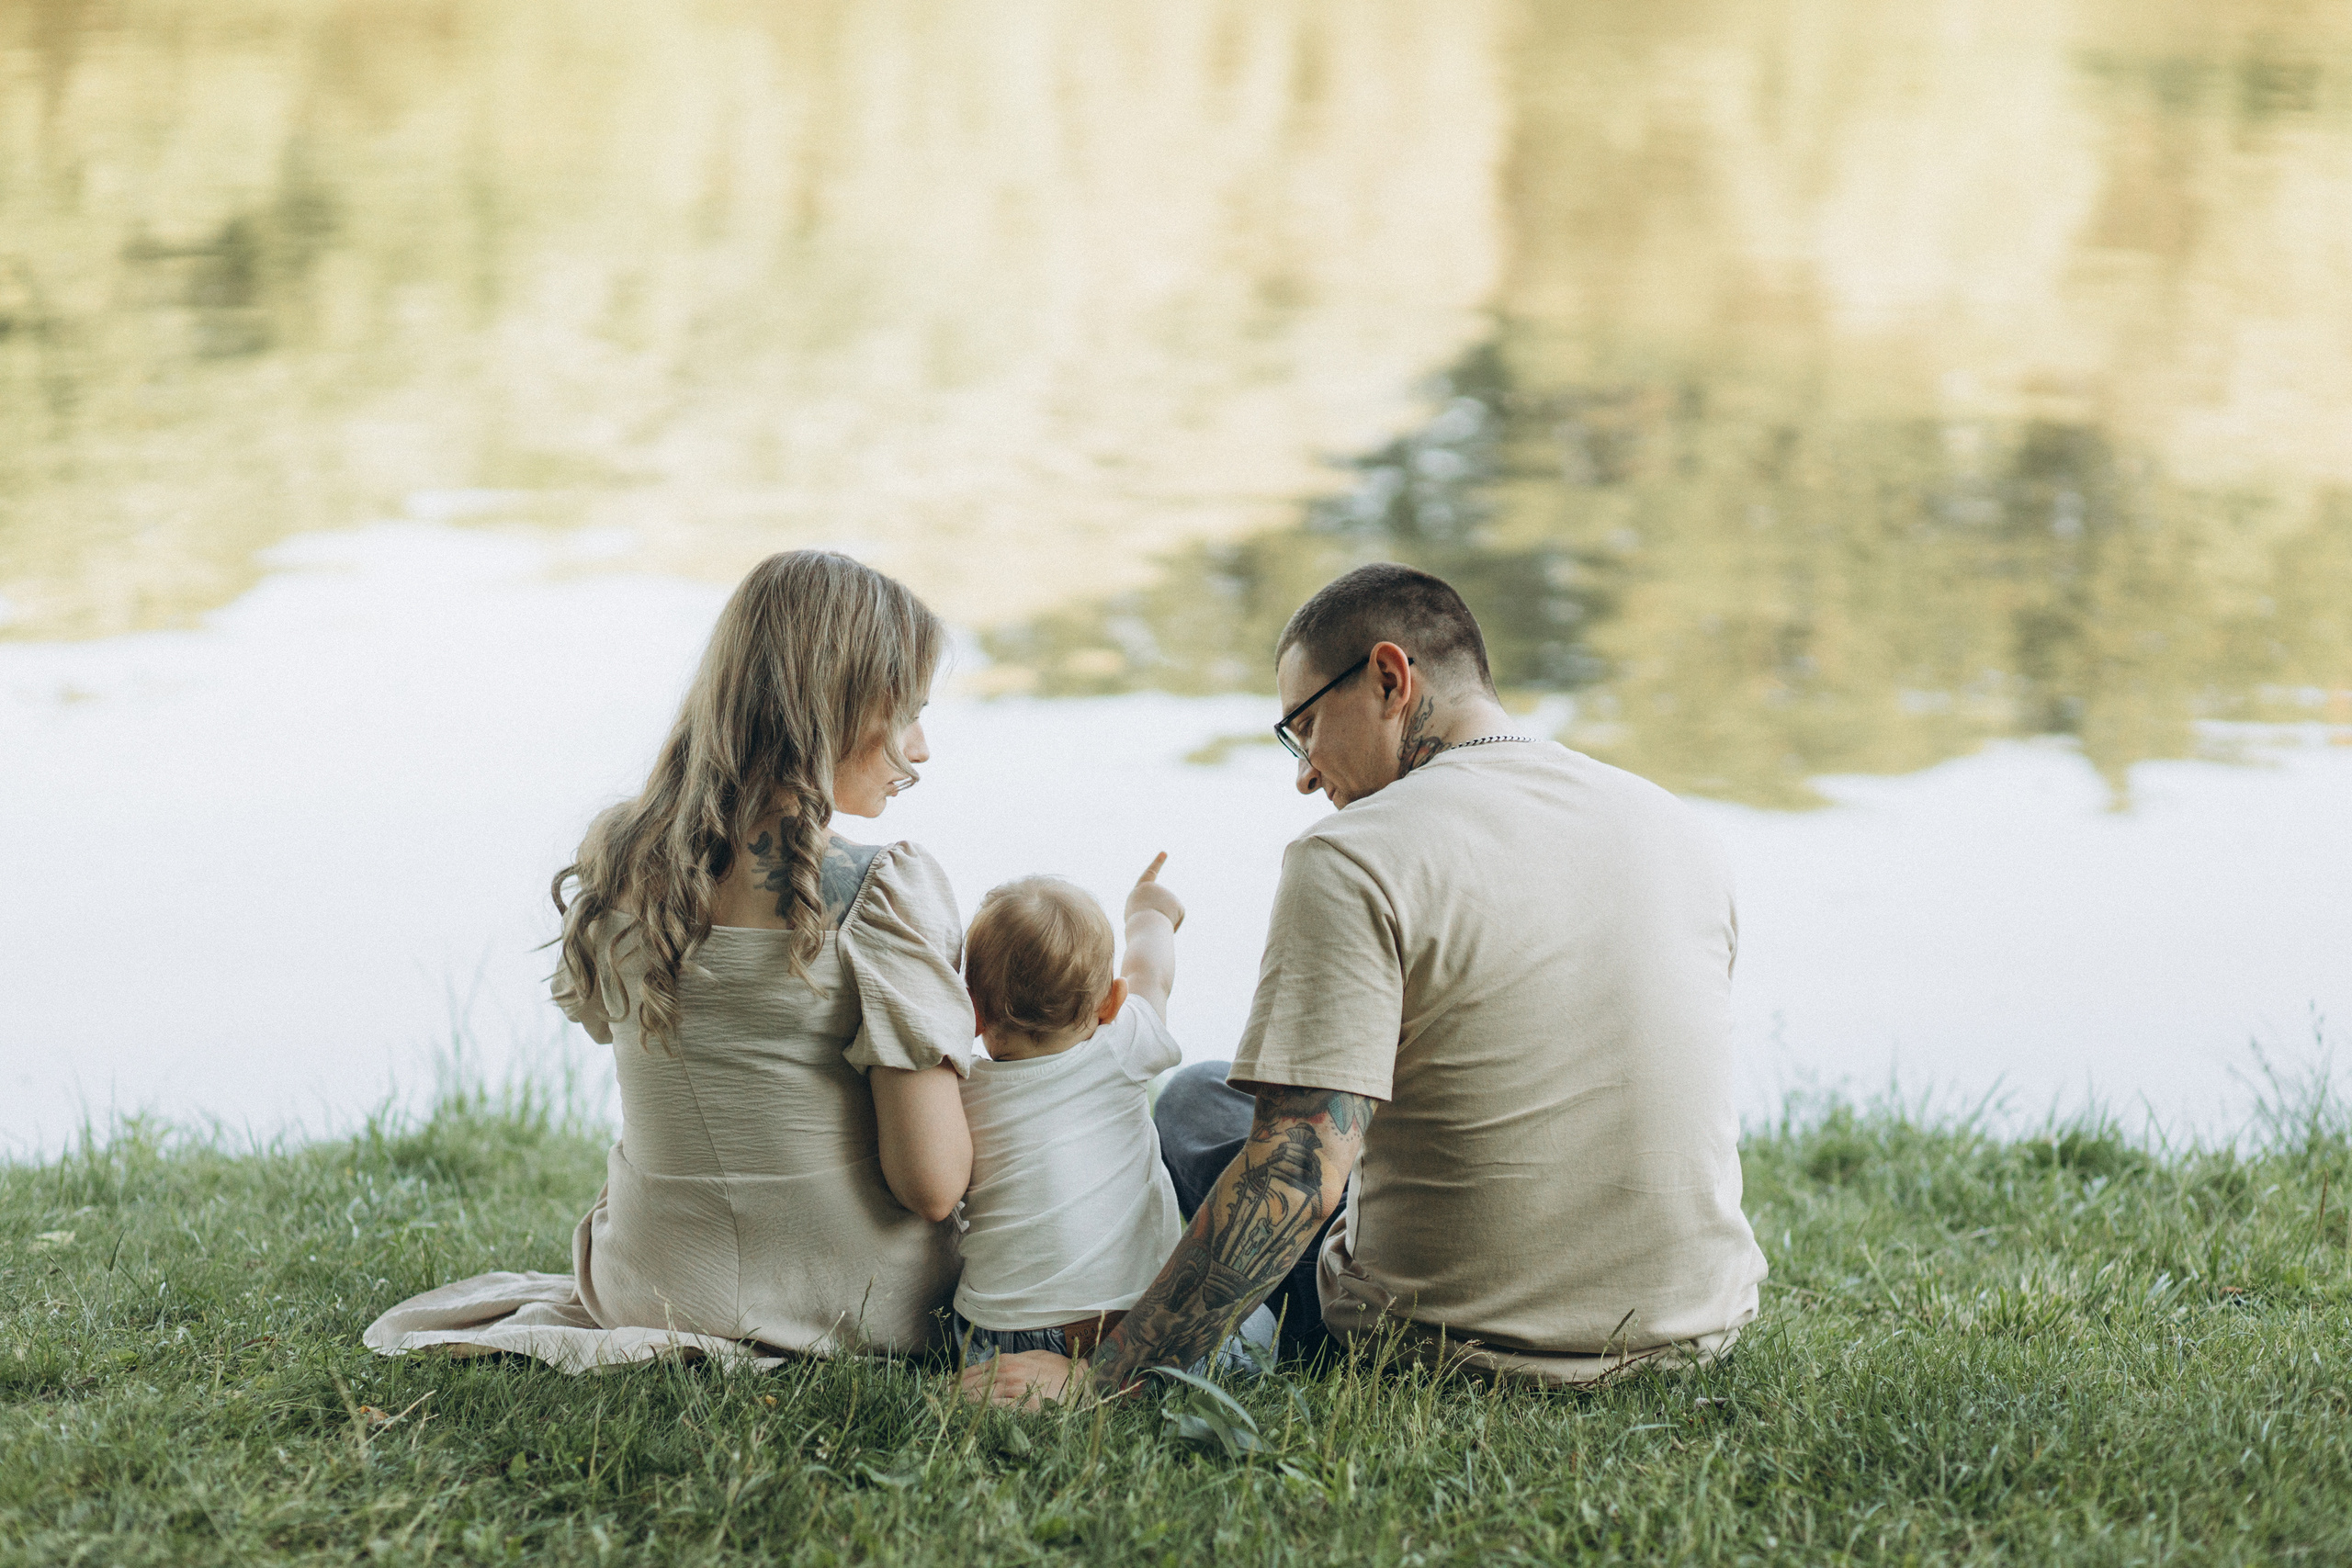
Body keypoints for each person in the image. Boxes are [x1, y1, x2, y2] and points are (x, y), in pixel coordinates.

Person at [966, 561, 1769, 1404]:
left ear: (1389, 678)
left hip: (1442, 1345)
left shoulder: (1354, 854)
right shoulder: (1678, 825)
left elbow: (1299, 1172)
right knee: (1214, 1092)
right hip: (1694, 1331)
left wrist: (1109, 1378)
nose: (1305, 773)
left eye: (1305, 728)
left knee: (1194, 1105)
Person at [366, 551, 975, 1372]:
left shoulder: (624, 864)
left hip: (648, 1280)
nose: (921, 747)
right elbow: (931, 1185)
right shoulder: (883, 892)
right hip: (853, 1301)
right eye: (906, 714)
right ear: (840, 706)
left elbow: (597, 1019)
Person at [949, 858, 1190, 1362]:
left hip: (993, 1340)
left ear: (972, 1011)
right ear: (1110, 1003)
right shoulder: (1122, 1046)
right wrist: (1150, 913)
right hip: (1121, 1329)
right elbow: (1152, 974)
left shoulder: (958, 1090)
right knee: (1254, 1327)